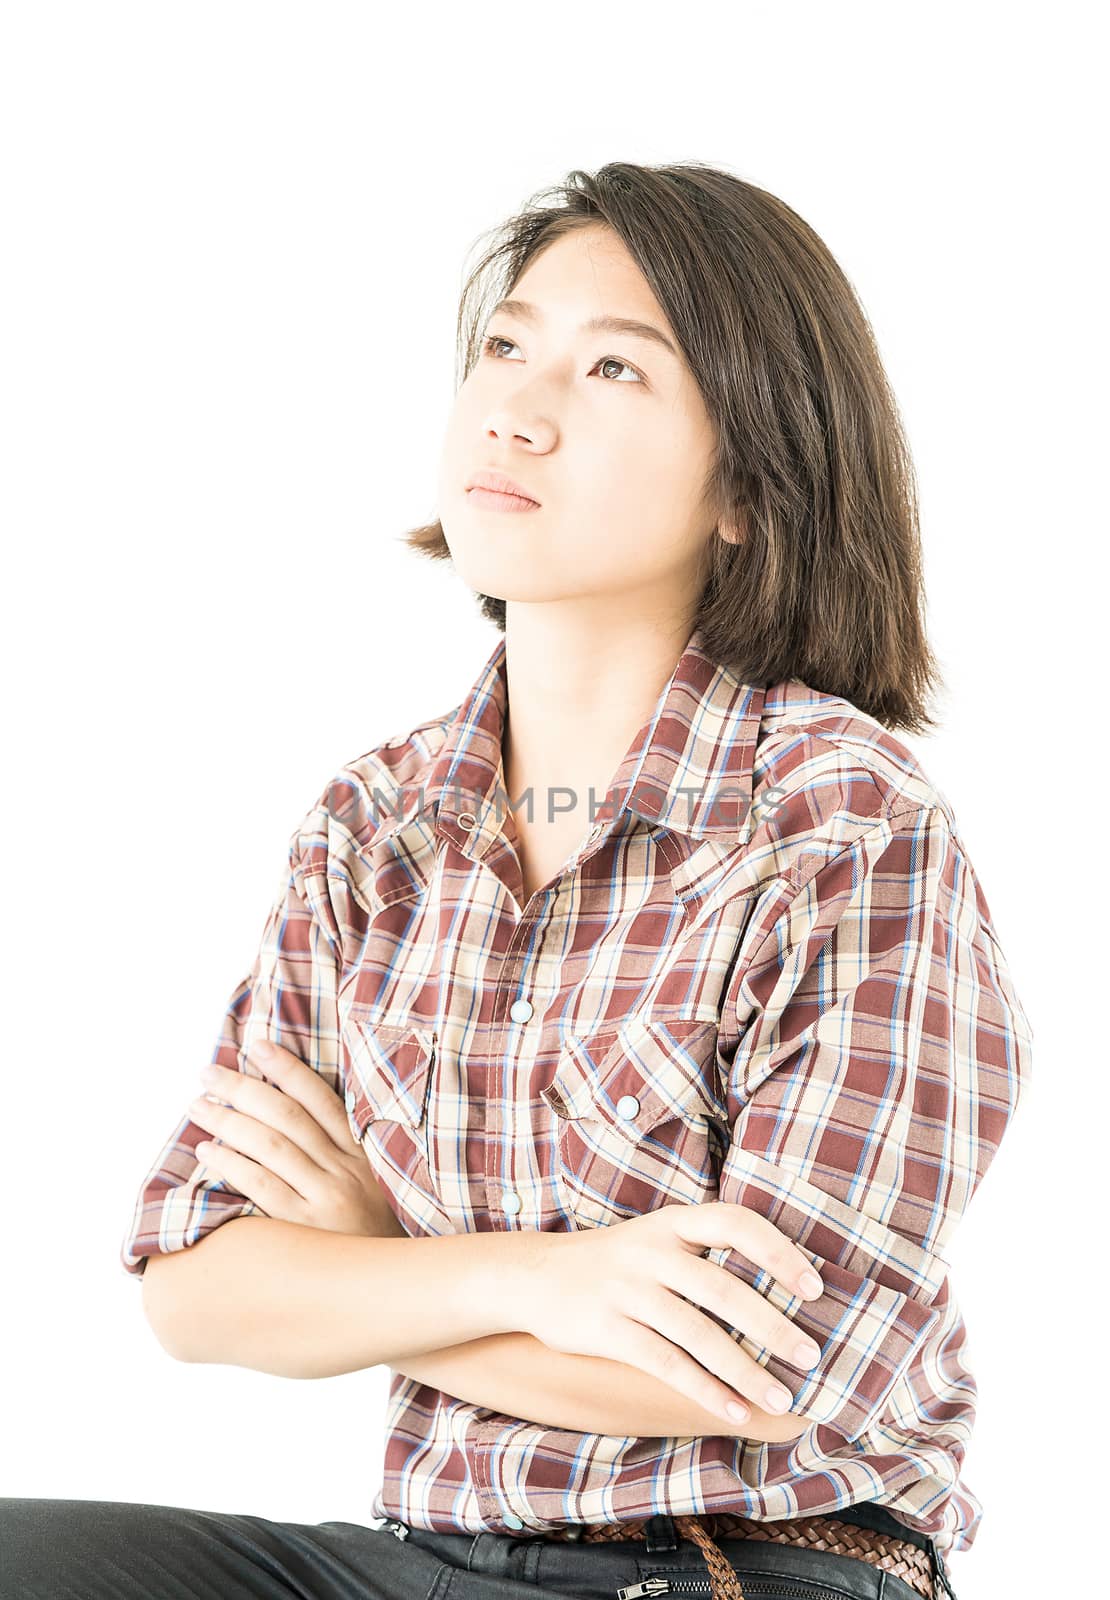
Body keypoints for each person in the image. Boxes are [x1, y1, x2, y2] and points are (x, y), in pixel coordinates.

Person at [1, 160, 1030, 1600]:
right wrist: (525, 1280)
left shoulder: (842, 827)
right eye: (505, 345)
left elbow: (758, 1369)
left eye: (612, 367)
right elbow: (194, 1283)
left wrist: (362, 1271)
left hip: (747, 1561)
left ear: (748, 485)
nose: (513, 407)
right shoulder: (377, 825)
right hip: (425, 1556)